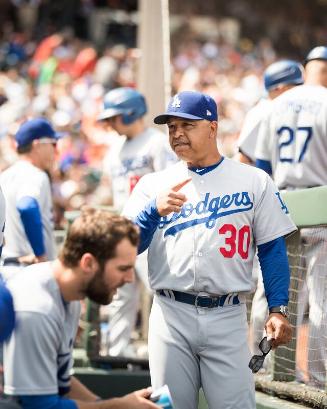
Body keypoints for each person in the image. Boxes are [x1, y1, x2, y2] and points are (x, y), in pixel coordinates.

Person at [122, 90, 296, 409]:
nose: (177, 133)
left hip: (228, 314)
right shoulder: (152, 185)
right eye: (171, 127)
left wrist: (277, 308)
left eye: (186, 125)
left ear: (212, 127)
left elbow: (272, 249)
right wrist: (151, 212)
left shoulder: (254, 180)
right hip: (170, 313)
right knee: (167, 407)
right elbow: (125, 248)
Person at [2, 207, 160, 409]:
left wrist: (108, 404)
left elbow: (62, 382)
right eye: (123, 268)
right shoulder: (38, 308)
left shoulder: (71, 296)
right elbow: (39, 406)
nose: (130, 278)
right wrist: (119, 406)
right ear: (88, 263)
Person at [255, 45, 327, 388]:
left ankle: (258, 369)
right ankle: (319, 382)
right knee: (322, 303)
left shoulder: (277, 103)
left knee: (274, 295)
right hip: (322, 207)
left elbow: (261, 165)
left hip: (281, 205)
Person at [98, 87, 176, 357]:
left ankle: (165, 350)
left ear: (131, 113)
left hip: (152, 228)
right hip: (123, 229)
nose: (109, 124)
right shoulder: (114, 151)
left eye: (114, 117)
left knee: (159, 289)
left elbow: (171, 182)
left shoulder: (156, 142)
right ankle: (118, 350)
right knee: (121, 291)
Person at [235, 60, 304, 358]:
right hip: (268, 204)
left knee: (280, 287)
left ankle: (265, 361)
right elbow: (244, 161)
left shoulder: (281, 109)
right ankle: (258, 359)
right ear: (278, 88)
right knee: (266, 284)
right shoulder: (263, 110)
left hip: (283, 200)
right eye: (293, 87)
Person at [0, 118, 59, 267]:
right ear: (37, 145)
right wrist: (40, 254)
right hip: (30, 268)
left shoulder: (4, 176)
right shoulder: (36, 175)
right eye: (53, 143)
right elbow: (27, 206)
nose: (55, 150)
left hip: (6, 266)